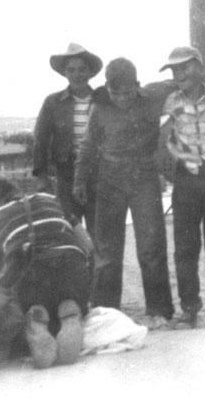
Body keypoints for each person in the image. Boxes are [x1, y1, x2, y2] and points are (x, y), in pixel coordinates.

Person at [73, 58, 174, 330]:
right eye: (115, 93)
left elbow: (186, 79)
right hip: (109, 181)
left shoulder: (154, 94)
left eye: (128, 93)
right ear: (107, 88)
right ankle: (107, 312)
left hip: (145, 179)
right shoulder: (99, 107)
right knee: (106, 251)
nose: (121, 99)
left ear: (138, 86)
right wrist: (80, 181)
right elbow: (88, 146)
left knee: (151, 247)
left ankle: (159, 310)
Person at [0, 179, 92, 368]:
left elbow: (1, 279)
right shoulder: (50, 198)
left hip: (32, 281)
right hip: (71, 271)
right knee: (70, 296)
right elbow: (87, 245)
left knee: (23, 301)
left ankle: (36, 317)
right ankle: (72, 311)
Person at [159, 46, 205, 328]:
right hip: (185, 177)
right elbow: (162, 135)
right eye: (174, 69)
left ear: (200, 68)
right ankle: (189, 308)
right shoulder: (168, 100)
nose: (179, 73)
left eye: (185, 67)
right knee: (185, 246)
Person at [33, 43, 105, 234]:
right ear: (65, 73)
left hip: (98, 175)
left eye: (82, 70)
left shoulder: (102, 100)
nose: (77, 75)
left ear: (90, 72)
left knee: (99, 232)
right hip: (66, 177)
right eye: (71, 70)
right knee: (70, 230)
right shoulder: (53, 102)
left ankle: (96, 265)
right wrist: (41, 176)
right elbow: (41, 139)